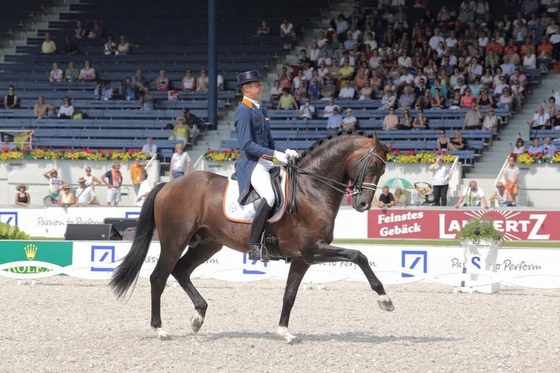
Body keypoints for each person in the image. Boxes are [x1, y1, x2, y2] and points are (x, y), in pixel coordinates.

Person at [234, 70, 297, 262]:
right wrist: (274, 154)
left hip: (266, 161)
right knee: (269, 196)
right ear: (247, 88)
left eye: (260, 84)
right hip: (253, 164)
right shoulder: (243, 110)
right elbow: (246, 144)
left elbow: (268, 142)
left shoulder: (260, 110)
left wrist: (285, 151)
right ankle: (254, 245)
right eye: (257, 85)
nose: (261, 88)